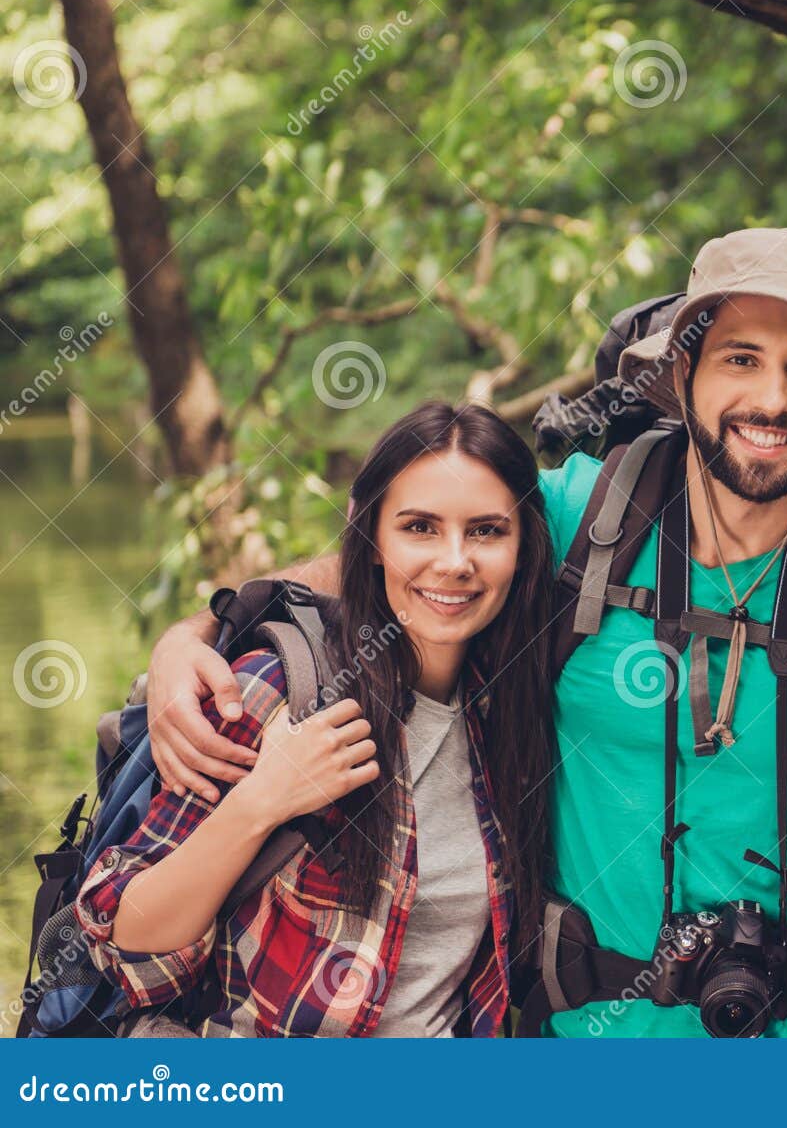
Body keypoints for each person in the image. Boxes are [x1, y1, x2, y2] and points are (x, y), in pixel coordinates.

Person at [132, 228, 787, 1037]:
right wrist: (197, 633)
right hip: (581, 1041)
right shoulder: (589, 515)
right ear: (685, 373)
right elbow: (403, 559)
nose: (774, 400)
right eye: (741, 359)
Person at [77, 402, 555, 1036]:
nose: (455, 560)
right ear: (372, 536)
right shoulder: (277, 691)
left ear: (524, 545)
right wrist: (263, 801)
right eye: (419, 527)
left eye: (488, 531)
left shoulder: (508, 714)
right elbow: (123, 941)